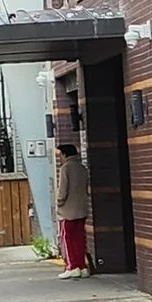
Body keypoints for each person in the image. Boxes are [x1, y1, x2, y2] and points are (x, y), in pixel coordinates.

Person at [51, 114, 90, 273]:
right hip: (81, 209)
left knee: (67, 239)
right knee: (80, 239)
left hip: (68, 212)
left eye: (60, 155)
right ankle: (82, 265)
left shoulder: (66, 168)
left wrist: (59, 203)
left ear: (66, 155)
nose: (59, 158)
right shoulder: (82, 168)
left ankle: (72, 266)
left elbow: (62, 191)